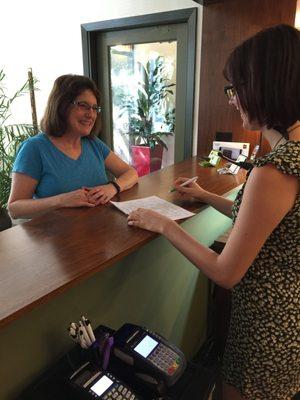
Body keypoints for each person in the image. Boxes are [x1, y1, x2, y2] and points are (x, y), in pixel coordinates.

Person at [127, 24, 300, 400]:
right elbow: (267, 222)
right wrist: (206, 195)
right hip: (290, 317)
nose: (232, 99)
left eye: (236, 88)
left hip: (265, 329)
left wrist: (164, 225)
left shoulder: (274, 170)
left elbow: (226, 272)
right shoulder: (294, 155)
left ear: (264, 86)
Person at [8, 74, 138, 219]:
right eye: (83, 106)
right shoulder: (34, 148)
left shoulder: (93, 143)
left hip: (98, 231)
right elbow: (15, 209)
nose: (91, 115)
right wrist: (62, 200)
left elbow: (131, 173)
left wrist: (112, 187)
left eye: (95, 108)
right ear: (61, 105)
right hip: (55, 239)